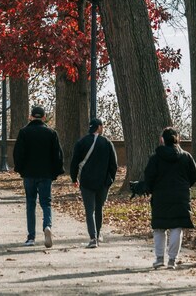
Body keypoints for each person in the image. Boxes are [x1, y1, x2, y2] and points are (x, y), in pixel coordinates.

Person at [144, 127, 196, 269]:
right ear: (177, 139)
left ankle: (159, 259)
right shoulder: (186, 156)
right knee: (176, 227)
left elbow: (148, 177)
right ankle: (172, 260)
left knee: (159, 228)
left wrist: (151, 190)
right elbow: (195, 175)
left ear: (162, 139)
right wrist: (186, 186)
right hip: (180, 195)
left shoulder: (155, 158)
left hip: (160, 196)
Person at [12, 106, 64, 248]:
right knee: (46, 203)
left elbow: (18, 154)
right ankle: (47, 225)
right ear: (44, 117)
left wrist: (20, 169)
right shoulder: (51, 133)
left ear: (31, 117)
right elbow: (57, 155)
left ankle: (31, 237)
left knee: (30, 204)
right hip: (46, 174)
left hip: (29, 174)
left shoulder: (24, 132)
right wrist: (56, 172)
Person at [70, 118, 118, 248]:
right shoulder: (107, 143)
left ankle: (92, 238)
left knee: (89, 210)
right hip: (103, 182)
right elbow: (114, 165)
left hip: (86, 182)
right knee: (99, 209)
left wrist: (74, 179)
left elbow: (74, 162)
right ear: (99, 127)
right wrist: (110, 180)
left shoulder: (82, 142)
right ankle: (98, 235)